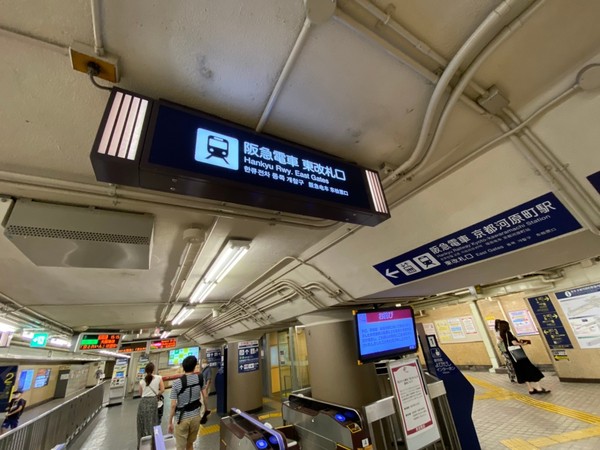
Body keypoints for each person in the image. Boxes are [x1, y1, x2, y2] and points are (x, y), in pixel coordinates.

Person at [497, 320, 550, 395]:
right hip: (519, 354)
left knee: (522, 371)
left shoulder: (502, 334)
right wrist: (523, 343)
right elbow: (514, 343)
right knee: (530, 369)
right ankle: (539, 388)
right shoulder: (508, 333)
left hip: (513, 356)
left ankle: (530, 389)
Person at [168, 355, 203, 450]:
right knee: (190, 444)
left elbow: (173, 405)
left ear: (183, 368)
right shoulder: (200, 379)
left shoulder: (176, 383)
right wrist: (206, 410)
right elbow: (205, 396)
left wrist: (170, 422)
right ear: (194, 367)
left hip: (182, 418)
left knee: (180, 447)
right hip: (196, 417)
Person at [137, 362, 165, 447]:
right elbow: (162, 389)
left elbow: (140, 394)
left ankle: (144, 446)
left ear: (145, 371)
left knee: (143, 425)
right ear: (153, 370)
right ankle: (158, 445)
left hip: (143, 404)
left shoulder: (142, 381)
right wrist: (157, 394)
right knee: (155, 423)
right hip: (154, 402)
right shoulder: (159, 378)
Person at [200, 358, 211, 424]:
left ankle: (202, 415)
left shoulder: (208, 369)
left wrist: (206, 389)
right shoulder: (204, 369)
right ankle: (205, 411)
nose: (202, 364)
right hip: (203, 388)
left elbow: (208, 380)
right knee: (204, 400)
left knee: (203, 400)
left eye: (203, 363)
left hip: (205, 388)